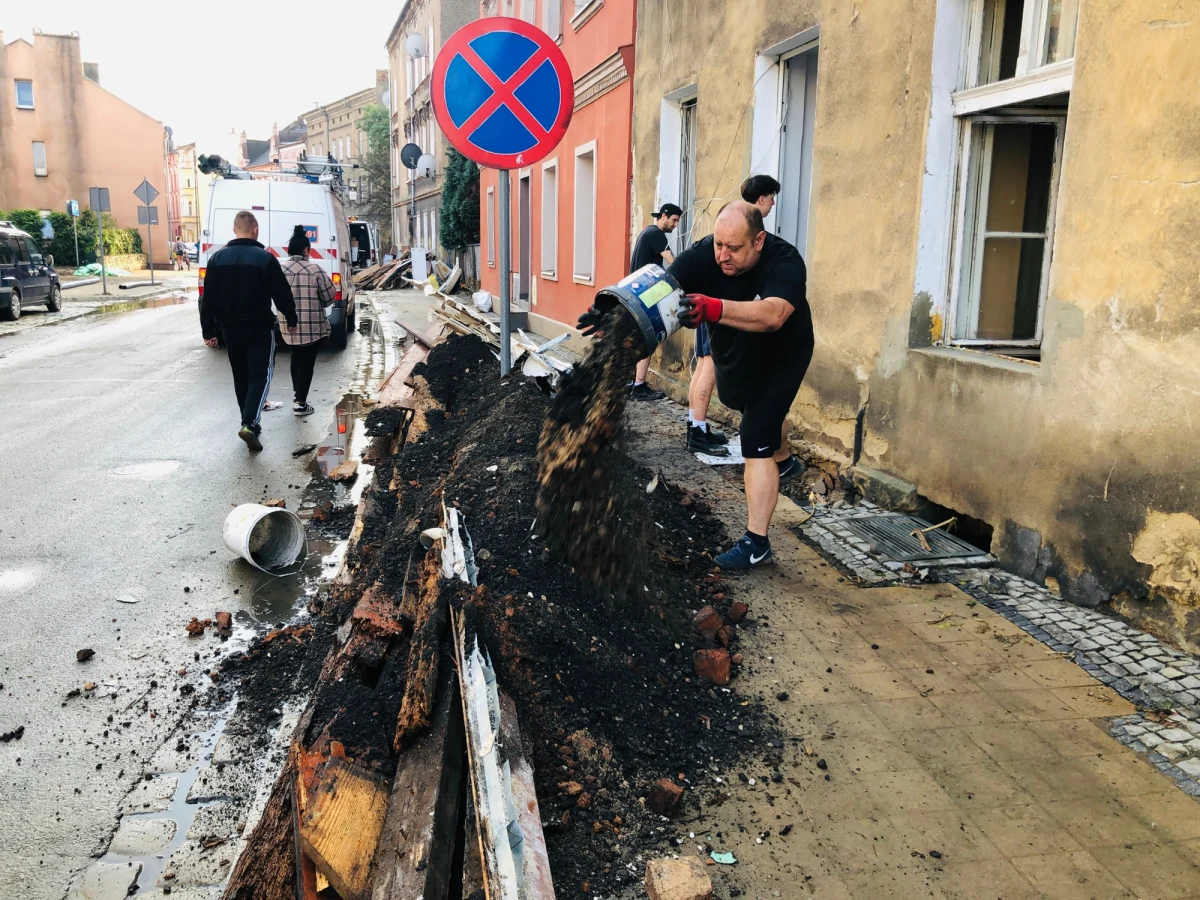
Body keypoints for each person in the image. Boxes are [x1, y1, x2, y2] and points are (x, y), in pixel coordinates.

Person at [669, 201, 812, 569]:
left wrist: (714, 308)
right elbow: (661, 285)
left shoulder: (785, 260)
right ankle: (784, 461)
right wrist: (618, 308)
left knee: (755, 436)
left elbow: (774, 313)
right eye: (719, 244)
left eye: (734, 248)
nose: (723, 256)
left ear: (759, 241)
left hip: (782, 353)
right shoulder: (705, 254)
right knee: (748, 409)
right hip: (734, 350)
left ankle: (757, 543)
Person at [200, 210, 297, 451]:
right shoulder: (264, 259)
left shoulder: (217, 259)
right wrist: (291, 317)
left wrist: (208, 331)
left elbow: (207, 298)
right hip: (259, 326)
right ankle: (250, 423)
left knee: (240, 375)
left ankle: (248, 420)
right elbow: (281, 293)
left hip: (230, 328)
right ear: (256, 230)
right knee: (260, 375)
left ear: (235, 230)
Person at [626, 203, 683, 401]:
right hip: (645, 295)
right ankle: (639, 386)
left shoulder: (646, 232)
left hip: (634, 292)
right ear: (664, 215)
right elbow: (672, 261)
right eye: (674, 220)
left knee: (637, 340)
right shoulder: (657, 234)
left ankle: (632, 382)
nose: (676, 225)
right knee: (648, 340)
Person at [280, 225, 334, 417]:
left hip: (288, 326)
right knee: (306, 362)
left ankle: (298, 396)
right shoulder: (315, 270)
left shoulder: (281, 269)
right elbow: (329, 297)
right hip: (311, 326)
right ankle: (300, 403)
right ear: (306, 250)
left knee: (296, 356)